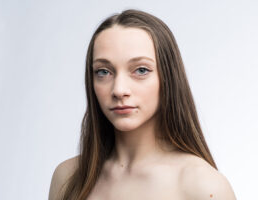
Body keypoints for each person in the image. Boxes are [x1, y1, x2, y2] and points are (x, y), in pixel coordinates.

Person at [48, 9, 236, 200]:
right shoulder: (68, 177)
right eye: (104, 72)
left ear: (168, 78)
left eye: (141, 70)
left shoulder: (202, 185)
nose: (119, 90)